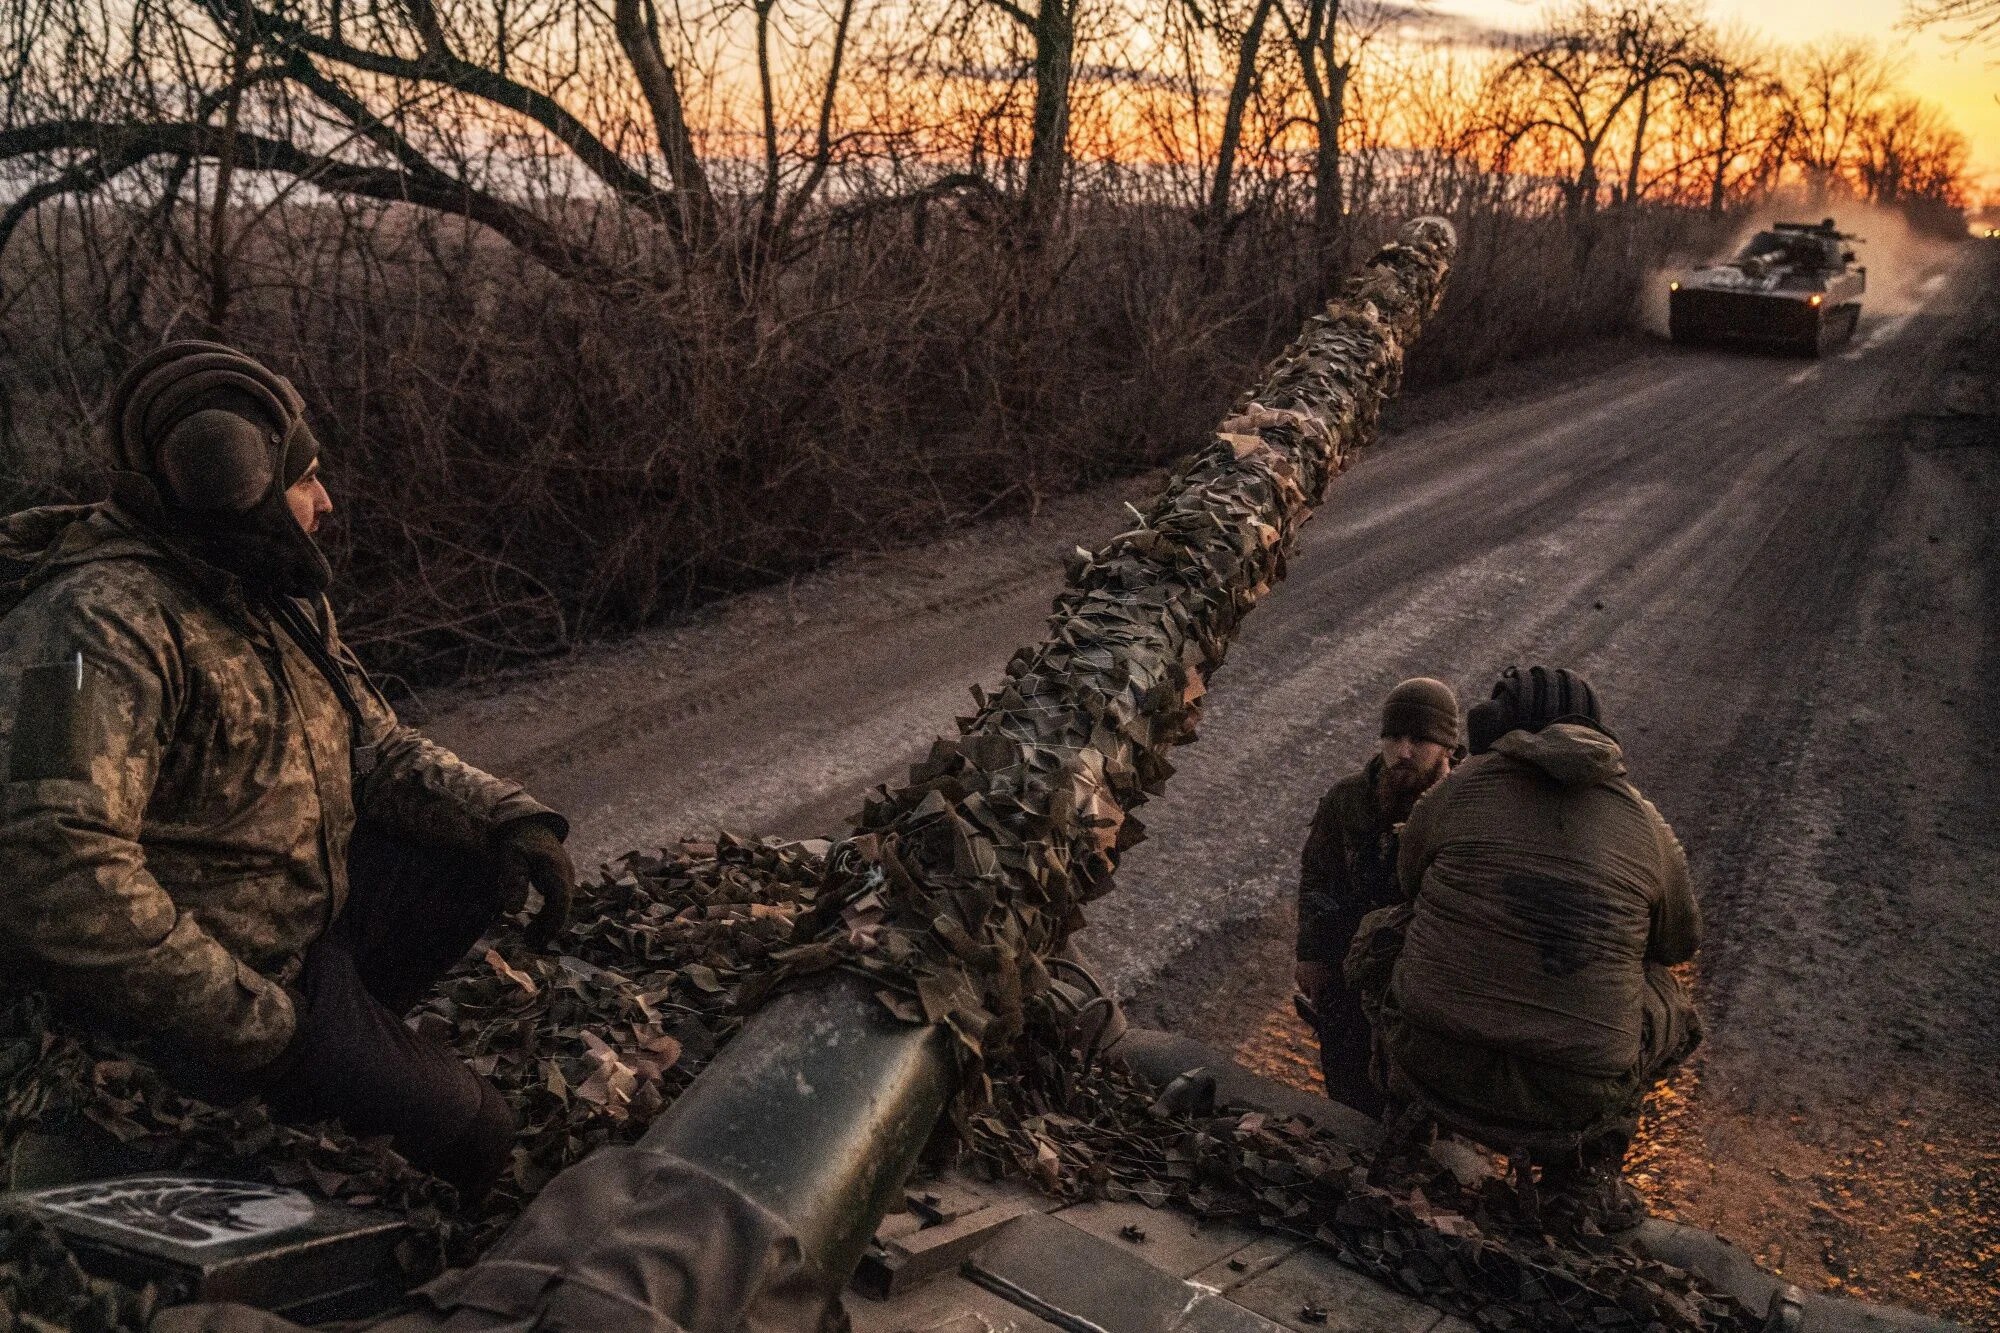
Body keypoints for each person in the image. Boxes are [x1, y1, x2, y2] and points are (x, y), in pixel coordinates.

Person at [0, 341, 577, 1201]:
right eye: (307, 479)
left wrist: (508, 815)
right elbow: (57, 866)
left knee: (472, 857)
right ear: (234, 481)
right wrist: (260, 1024)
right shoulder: (90, 627)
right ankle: (269, 1088)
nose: (327, 501)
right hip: (198, 1001)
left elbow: (372, 743)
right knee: (480, 1137)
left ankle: (328, 1076)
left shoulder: (268, 584)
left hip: (302, 944)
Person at [1376, 665, 1701, 1224]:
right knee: (1668, 998)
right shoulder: (1647, 826)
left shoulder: (1459, 788)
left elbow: (1409, 881)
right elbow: (1678, 944)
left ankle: (1406, 1119)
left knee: (1383, 931)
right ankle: (1585, 1170)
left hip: (1434, 1061)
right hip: (1568, 1097)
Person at [1295, 677, 1458, 1117]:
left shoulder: (1463, 809)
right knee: (1347, 1094)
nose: (1403, 752)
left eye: (1420, 739)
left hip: (1421, 986)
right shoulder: (1348, 799)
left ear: (1446, 746)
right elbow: (1318, 877)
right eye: (1394, 737)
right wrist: (1311, 955)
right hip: (1350, 976)